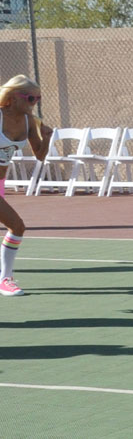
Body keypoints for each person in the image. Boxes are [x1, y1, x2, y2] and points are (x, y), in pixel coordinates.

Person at [0, 76, 52, 297]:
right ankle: (5, 279)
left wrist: (47, 137)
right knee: (17, 226)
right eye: (31, 98)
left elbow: (40, 156)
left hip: (1, 183)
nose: (35, 103)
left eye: (38, 98)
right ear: (12, 99)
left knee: (16, 227)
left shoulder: (30, 122)